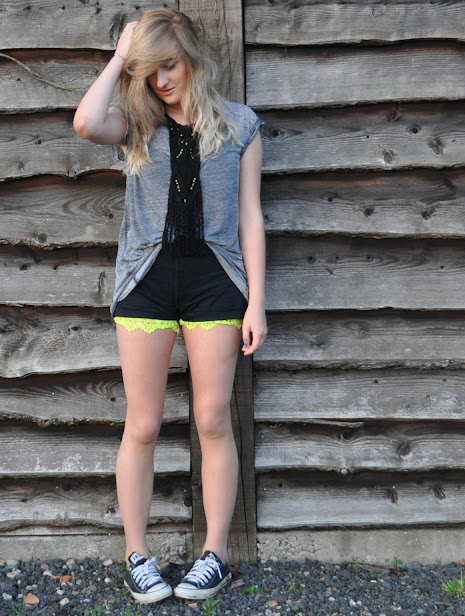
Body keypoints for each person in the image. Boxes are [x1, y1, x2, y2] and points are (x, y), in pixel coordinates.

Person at [73, 8, 267, 605]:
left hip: (216, 284)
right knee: (143, 423)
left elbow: (251, 218)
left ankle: (215, 555)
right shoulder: (135, 123)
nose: (161, 80)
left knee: (212, 420)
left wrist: (257, 302)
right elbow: (85, 122)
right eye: (149, 70)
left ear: (193, 60)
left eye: (170, 65)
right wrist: (120, 57)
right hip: (146, 284)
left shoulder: (241, 125)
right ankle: (138, 556)